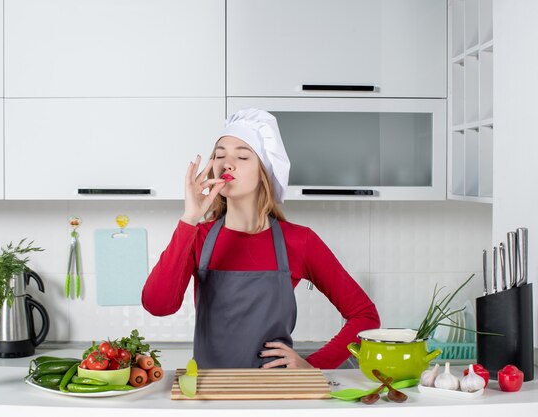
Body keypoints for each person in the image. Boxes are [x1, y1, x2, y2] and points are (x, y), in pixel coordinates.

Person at [142, 108, 380, 369]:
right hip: (211, 393)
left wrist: (313, 366)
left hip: (275, 392)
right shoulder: (198, 236)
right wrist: (189, 219)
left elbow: (365, 316)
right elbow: (158, 305)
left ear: (265, 172)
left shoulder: (300, 241)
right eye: (219, 155)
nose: (226, 163)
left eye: (242, 156)